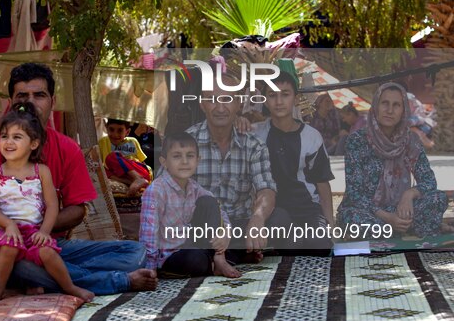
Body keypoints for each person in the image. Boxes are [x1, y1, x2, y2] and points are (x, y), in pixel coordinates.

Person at [0, 63, 157, 296]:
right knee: (23, 266)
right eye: (22, 96)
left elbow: (78, 209)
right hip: (7, 253)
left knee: (134, 252)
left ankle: (52, 276)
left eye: (40, 95)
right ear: (11, 103)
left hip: (49, 247)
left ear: (52, 102)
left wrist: (39, 229)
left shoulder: (67, 148)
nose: (31, 102)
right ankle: (117, 281)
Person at [0, 103, 93, 302]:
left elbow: (52, 205)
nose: (8, 142)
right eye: (4, 136)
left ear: (33, 143)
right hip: (8, 231)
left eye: (17, 137)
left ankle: (70, 287)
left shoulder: (41, 172)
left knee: (48, 253)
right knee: (8, 248)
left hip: (34, 230)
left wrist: (44, 231)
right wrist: (8, 225)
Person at [186, 70, 278, 263]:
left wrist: (258, 218)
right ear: (202, 104)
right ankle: (230, 254)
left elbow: (266, 188)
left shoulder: (254, 145)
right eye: (212, 100)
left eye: (227, 99)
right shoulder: (187, 143)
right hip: (199, 225)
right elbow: (166, 189)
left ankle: (231, 252)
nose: (220, 108)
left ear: (239, 104)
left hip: (239, 224)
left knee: (281, 221)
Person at [337, 82, 448, 237]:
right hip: (367, 212)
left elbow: (429, 181)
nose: (390, 110)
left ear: (404, 110)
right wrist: (388, 217)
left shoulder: (410, 140)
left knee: (438, 198)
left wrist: (409, 195)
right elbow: (354, 193)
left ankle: (400, 227)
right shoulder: (357, 140)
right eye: (385, 103)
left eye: (396, 105)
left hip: (401, 209)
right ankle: (411, 226)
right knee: (353, 220)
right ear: (376, 105)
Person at [139, 132, 240, 278]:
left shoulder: (194, 187)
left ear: (198, 160)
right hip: (170, 255)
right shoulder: (156, 191)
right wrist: (150, 268)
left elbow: (218, 211)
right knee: (195, 260)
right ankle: (213, 262)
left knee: (209, 202)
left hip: (192, 243)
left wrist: (226, 233)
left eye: (190, 156)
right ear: (164, 161)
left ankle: (219, 258)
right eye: (177, 156)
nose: (184, 161)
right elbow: (148, 233)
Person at [253, 72, 334, 252]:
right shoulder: (256, 135)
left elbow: (322, 183)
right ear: (265, 100)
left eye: (285, 94)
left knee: (320, 245)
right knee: (291, 244)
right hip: (275, 211)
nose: (279, 101)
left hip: (308, 208)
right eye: (272, 95)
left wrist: (330, 224)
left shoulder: (311, 136)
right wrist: (239, 120)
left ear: (296, 99)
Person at [99, 118, 152, 196]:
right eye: (111, 130)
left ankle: (138, 178)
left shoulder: (132, 141)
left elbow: (142, 161)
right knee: (102, 170)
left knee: (111, 156)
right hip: (121, 176)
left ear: (127, 132)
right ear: (106, 128)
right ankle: (133, 182)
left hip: (139, 172)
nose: (115, 134)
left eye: (120, 131)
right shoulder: (103, 141)